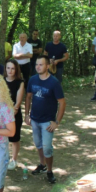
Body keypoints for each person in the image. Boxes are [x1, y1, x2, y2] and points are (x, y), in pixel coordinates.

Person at [25, 55, 66, 184]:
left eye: (41, 64)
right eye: (37, 64)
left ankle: (49, 171)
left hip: (48, 122)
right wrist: (26, 114)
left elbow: (62, 103)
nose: (38, 67)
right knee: (38, 145)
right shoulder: (32, 80)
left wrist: (57, 122)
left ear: (47, 66)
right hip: (34, 120)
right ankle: (42, 165)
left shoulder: (54, 82)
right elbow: (28, 97)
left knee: (47, 147)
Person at [4, 59, 25, 170]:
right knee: (3, 138)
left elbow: (17, 103)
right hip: (1, 114)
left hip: (14, 114)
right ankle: (4, 158)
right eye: (8, 68)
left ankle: (14, 160)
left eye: (12, 68)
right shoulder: (1, 81)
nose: (10, 71)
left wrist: (14, 109)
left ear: (16, 69)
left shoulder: (20, 82)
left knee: (14, 139)